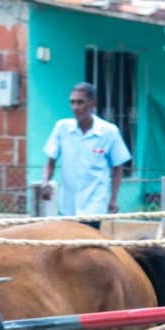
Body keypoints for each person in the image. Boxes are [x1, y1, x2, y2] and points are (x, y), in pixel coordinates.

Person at [40, 82, 132, 229]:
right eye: (72, 102)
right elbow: (50, 162)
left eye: (80, 102)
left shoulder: (109, 131)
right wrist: (45, 183)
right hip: (68, 205)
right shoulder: (62, 128)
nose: (75, 107)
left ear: (93, 104)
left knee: (87, 246)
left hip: (94, 204)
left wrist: (113, 199)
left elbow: (118, 167)